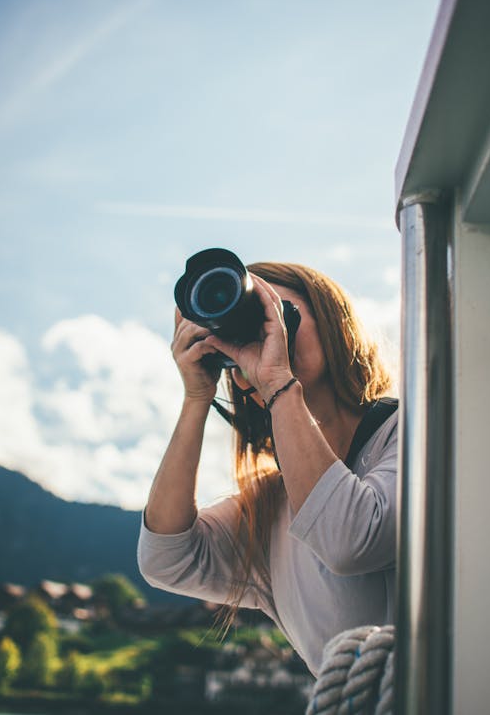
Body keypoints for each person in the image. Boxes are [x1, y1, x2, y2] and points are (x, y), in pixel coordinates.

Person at [137, 261, 398, 677]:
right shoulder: (270, 509)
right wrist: (197, 396)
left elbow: (349, 540)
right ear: (238, 377)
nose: (268, 337)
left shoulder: (419, 435)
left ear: (338, 326)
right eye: (251, 329)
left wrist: (277, 381)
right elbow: (166, 560)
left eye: (279, 315)